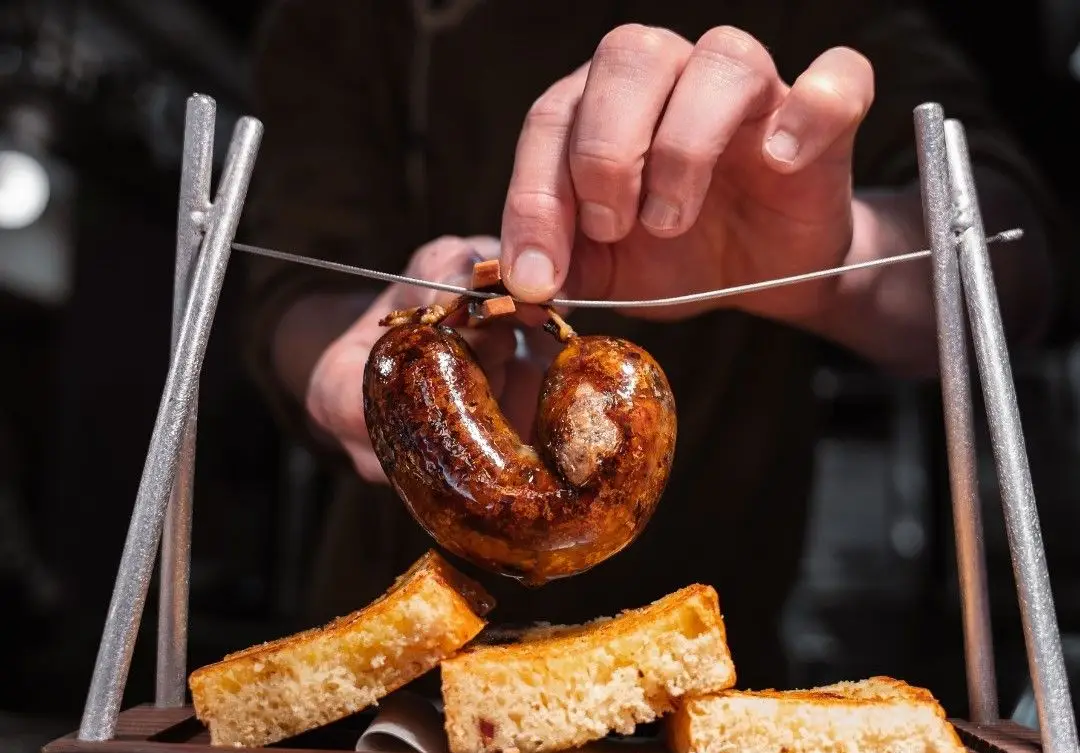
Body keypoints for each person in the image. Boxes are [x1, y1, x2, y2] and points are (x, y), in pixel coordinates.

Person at [241, 0, 1056, 689]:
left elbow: (1016, 259)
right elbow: (287, 288)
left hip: (717, 671)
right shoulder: (348, 20)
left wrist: (839, 264)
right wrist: (346, 355)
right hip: (392, 678)